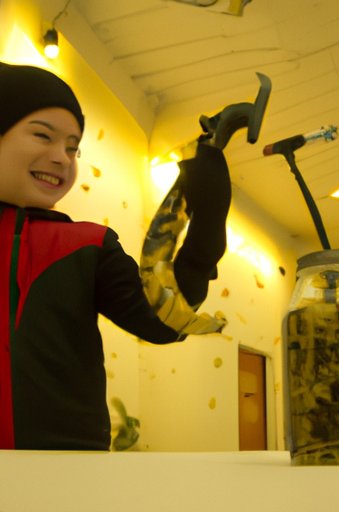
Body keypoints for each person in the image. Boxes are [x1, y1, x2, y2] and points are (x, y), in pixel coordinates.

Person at [0, 62, 270, 450]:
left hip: (67, 468)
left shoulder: (88, 246)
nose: (62, 157)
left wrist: (206, 225)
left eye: (73, 147)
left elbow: (163, 320)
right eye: (43, 136)